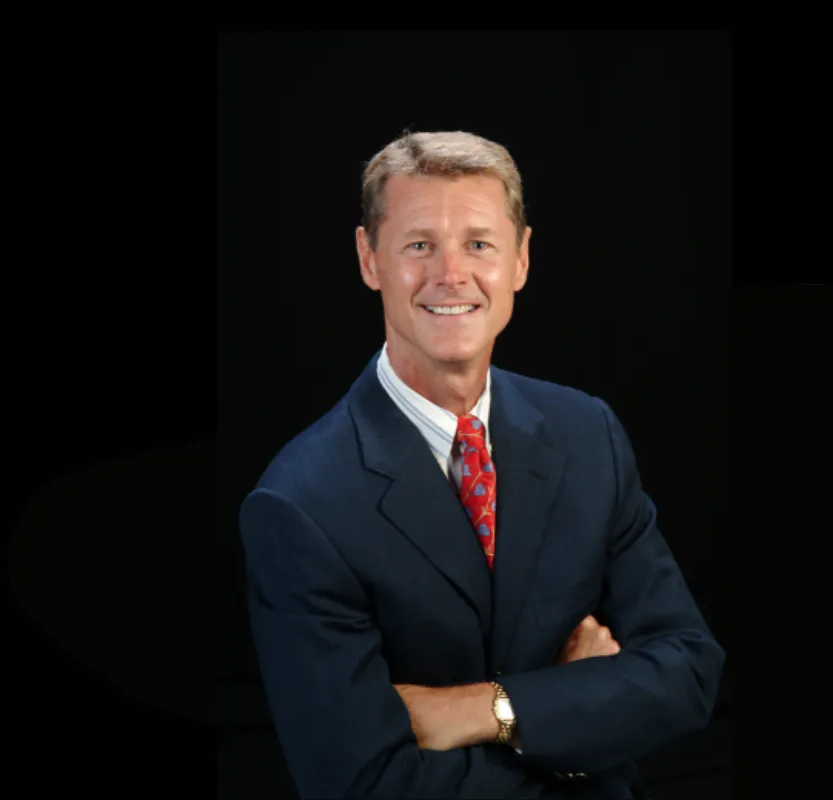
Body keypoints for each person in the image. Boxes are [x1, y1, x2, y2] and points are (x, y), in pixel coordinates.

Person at [239, 130, 724, 799]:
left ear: (520, 259)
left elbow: (690, 670)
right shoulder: (299, 505)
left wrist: (488, 709)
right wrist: (580, 719)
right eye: (419, 245)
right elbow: (363, 782)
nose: (451, 274)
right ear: (369, 258)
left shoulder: (588, 435)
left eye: (478, 244)